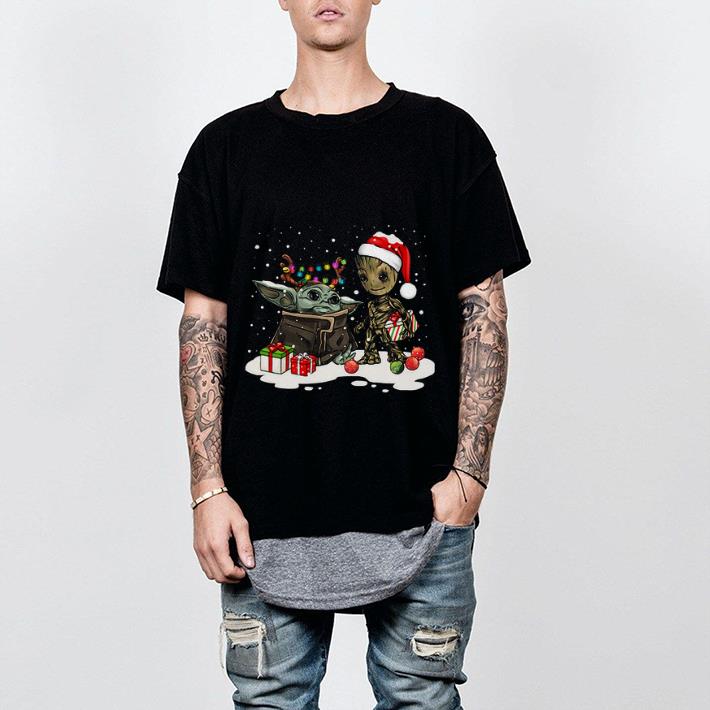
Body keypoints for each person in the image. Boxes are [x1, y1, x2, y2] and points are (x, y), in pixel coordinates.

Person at [157, 1, 530, 707]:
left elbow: (484, 312)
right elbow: (203, 324)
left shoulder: (447, 138)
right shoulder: (224, 150)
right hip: (261, 514)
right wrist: (208, 490)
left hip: (423, 508)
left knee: (422, 700)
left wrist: (469, 476)